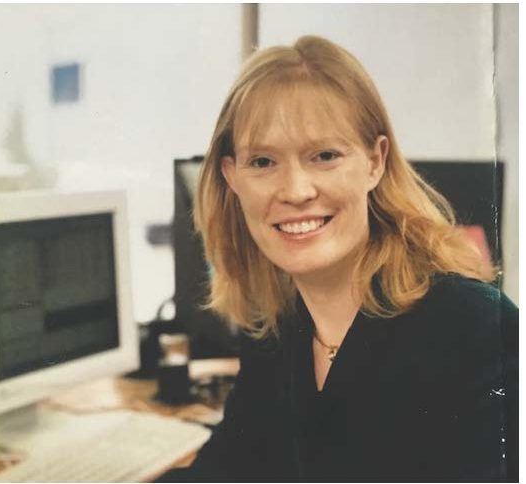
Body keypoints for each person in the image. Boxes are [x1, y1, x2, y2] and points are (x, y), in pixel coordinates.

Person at [160, 35, 518, 482]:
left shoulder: (476, 330)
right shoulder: (278, 329)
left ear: (375, 161)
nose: (295, 191)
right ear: (232, 177)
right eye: (263, 162)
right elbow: (222, 472)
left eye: (325, 156)